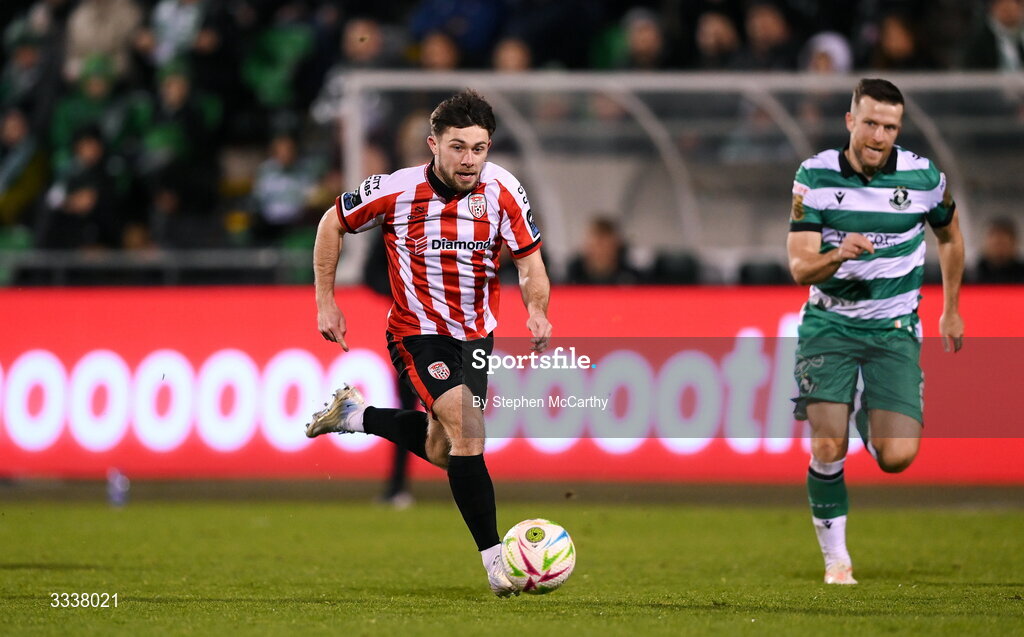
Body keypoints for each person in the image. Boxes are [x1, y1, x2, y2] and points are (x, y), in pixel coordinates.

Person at [306, 90, 551, 597]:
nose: (469, 160)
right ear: (432, 145)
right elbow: (332, 222)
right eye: (458, 147)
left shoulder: (505, 191)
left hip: (477, 336)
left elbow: (530, 262)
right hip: (417, 333)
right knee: (471, 432)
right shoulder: (395, 190)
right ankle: (496, 564)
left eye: (479, 148)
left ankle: (356, 415)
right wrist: (326, 301)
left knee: (446, 450)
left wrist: (537, 309)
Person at [787, 78, 964, 585]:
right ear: (850, 121)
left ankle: (869, 419)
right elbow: (800, 267)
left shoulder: (925, 178)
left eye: (890, 126)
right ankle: (836, 561)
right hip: (829, 324)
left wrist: (951, 307)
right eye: (870, 123)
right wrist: (837, 253)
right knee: (827, 444)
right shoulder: (814, 176)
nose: (879, 135)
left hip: (894, 328)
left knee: (897, 457)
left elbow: (950, 238)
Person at [973, 217, 1024, 283]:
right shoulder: (970, 275)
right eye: (993, 236)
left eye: (1003, 241)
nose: (998, 240)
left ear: (1014, 242)